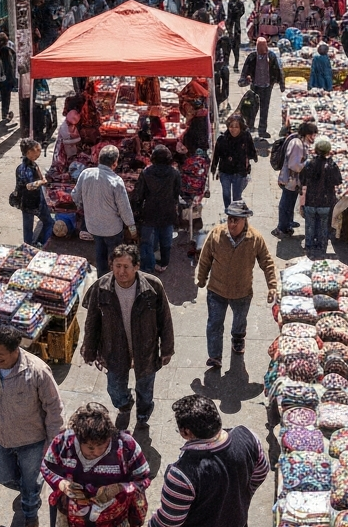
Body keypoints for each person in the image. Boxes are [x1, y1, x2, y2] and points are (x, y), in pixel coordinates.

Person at [0, 325, 64, 527]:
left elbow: (54, 408)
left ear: (15, 351)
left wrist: (53, 443)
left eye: (0, 354)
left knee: (29, 484)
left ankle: (30, 514)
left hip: (32, 441)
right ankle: (31, 488)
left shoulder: (37, 371)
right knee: (3, 477)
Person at [146, 395, 268, 527]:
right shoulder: (247, 436)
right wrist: (242, 496)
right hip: (235, 525)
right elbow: (262, 471)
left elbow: (169, 522)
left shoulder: (181, 474)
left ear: (185, 432)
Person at [82, 245, 174, 428]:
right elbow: (92, 321)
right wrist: (89, 350)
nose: (121, 271)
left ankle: (142, 415)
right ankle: (124, 406)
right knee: (115, 388)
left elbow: (165, 320)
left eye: (126, 266)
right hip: (114, 350)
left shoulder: (153, 286)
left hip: (145, 350)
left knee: (145, 391)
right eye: (117, 266)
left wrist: (167, 349)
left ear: (137, 266)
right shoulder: (101, 288)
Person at [42, 403, 151, 527]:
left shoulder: (125, 445)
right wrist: (62, 484)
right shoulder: (63, 443)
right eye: (90, 448)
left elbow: (143, 478)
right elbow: (47, 467)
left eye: (102, 445)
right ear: (79, 438)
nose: (97, 452)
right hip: (78, 522)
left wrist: (118, 488)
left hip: (114, 523)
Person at [195, 201, 278, 369]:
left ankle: (238, 339)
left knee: (239, 321)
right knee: (214, 324)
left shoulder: (254, 239)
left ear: (245, 220)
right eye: (230, 219)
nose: (232, 224)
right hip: (217, 290)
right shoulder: (216, 235)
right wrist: (201, 278)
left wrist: (272, 286)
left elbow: (267, 262)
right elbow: (205, 258)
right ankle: (215, 356)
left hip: (242, 291)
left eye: (236, 220)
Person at [73, 145, 138, 273]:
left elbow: (75, 196)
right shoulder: (116, 181)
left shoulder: (86, 173)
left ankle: (101, 279)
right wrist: (132, 228)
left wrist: (85, 206)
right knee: (115, 257)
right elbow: (125, 209)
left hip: (93, 226)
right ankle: (113, 281)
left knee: (99, 252)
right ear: (115, 164)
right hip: (112, 229)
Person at [134, 146, 181, 273]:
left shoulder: (146, 173)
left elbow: (139, 194)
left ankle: (148, 267)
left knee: (146, 241)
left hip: (150, 211)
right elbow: (177, 192)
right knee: (166, 240)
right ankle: (164, 263)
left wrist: (137, 211)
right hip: (168, 211)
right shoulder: (174, 173)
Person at [298, 137, 342, 261]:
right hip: (325, 202)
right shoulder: (332, 165)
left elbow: (302, 179)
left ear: (316, 150)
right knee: (323, 226)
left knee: (310, 225)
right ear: (328, 151)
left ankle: (309, 247)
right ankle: (321, 248)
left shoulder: (309, 164)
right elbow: (338, 181)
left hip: (311, 201)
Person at [274, 121, 318, 239]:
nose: (313, 138)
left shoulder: (300, 143)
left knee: (290, 203)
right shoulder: (297, 144)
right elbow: (294, 166)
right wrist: (308, 163)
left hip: (293, 181)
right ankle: (282, 227)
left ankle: (287, 225)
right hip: (290, 180)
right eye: (313, 135)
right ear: (307, 134)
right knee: (286, 204)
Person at [240, 37, 284, 137]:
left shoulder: (271, 56)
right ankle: (250, 126)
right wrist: (244, 79)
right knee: (253, 107)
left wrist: (281, 83)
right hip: (255, 86)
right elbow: (246, 69)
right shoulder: (252, 56)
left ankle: (262, 130)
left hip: (267, 86)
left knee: (264, 108)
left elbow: (277, 69)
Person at [212, 115, 257, 208]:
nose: (233, 129)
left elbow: (251, 149)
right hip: (225, 171)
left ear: (241, 127)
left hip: (239, 172)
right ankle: (228, 212)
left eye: (236, 127)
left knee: (237, 197)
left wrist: (253, 157)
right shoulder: (222, 139)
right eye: (231, 126)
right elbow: (216, 155)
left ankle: (236, 215)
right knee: (226, 194)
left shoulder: (245, 137)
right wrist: (213, 168)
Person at [16, 140, 52, 248]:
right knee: (28, 230)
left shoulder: (33, 164)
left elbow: (41, 177)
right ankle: (30, 248)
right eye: (36, 150)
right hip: (28, 203)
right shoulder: (23, 169)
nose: (39, 152)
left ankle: (40, 243)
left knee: (49, 222)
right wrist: (41, 182)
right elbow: (28, 186)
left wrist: (44, 180)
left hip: (38, 200)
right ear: (28, 152)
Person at [0, 31, 19, 122]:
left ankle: (4, 113)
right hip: (6, 78)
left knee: (4, 96)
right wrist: (13, 80)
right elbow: (9, 66)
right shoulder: (6, 50)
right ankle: (5, 113)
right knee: (6, 96)